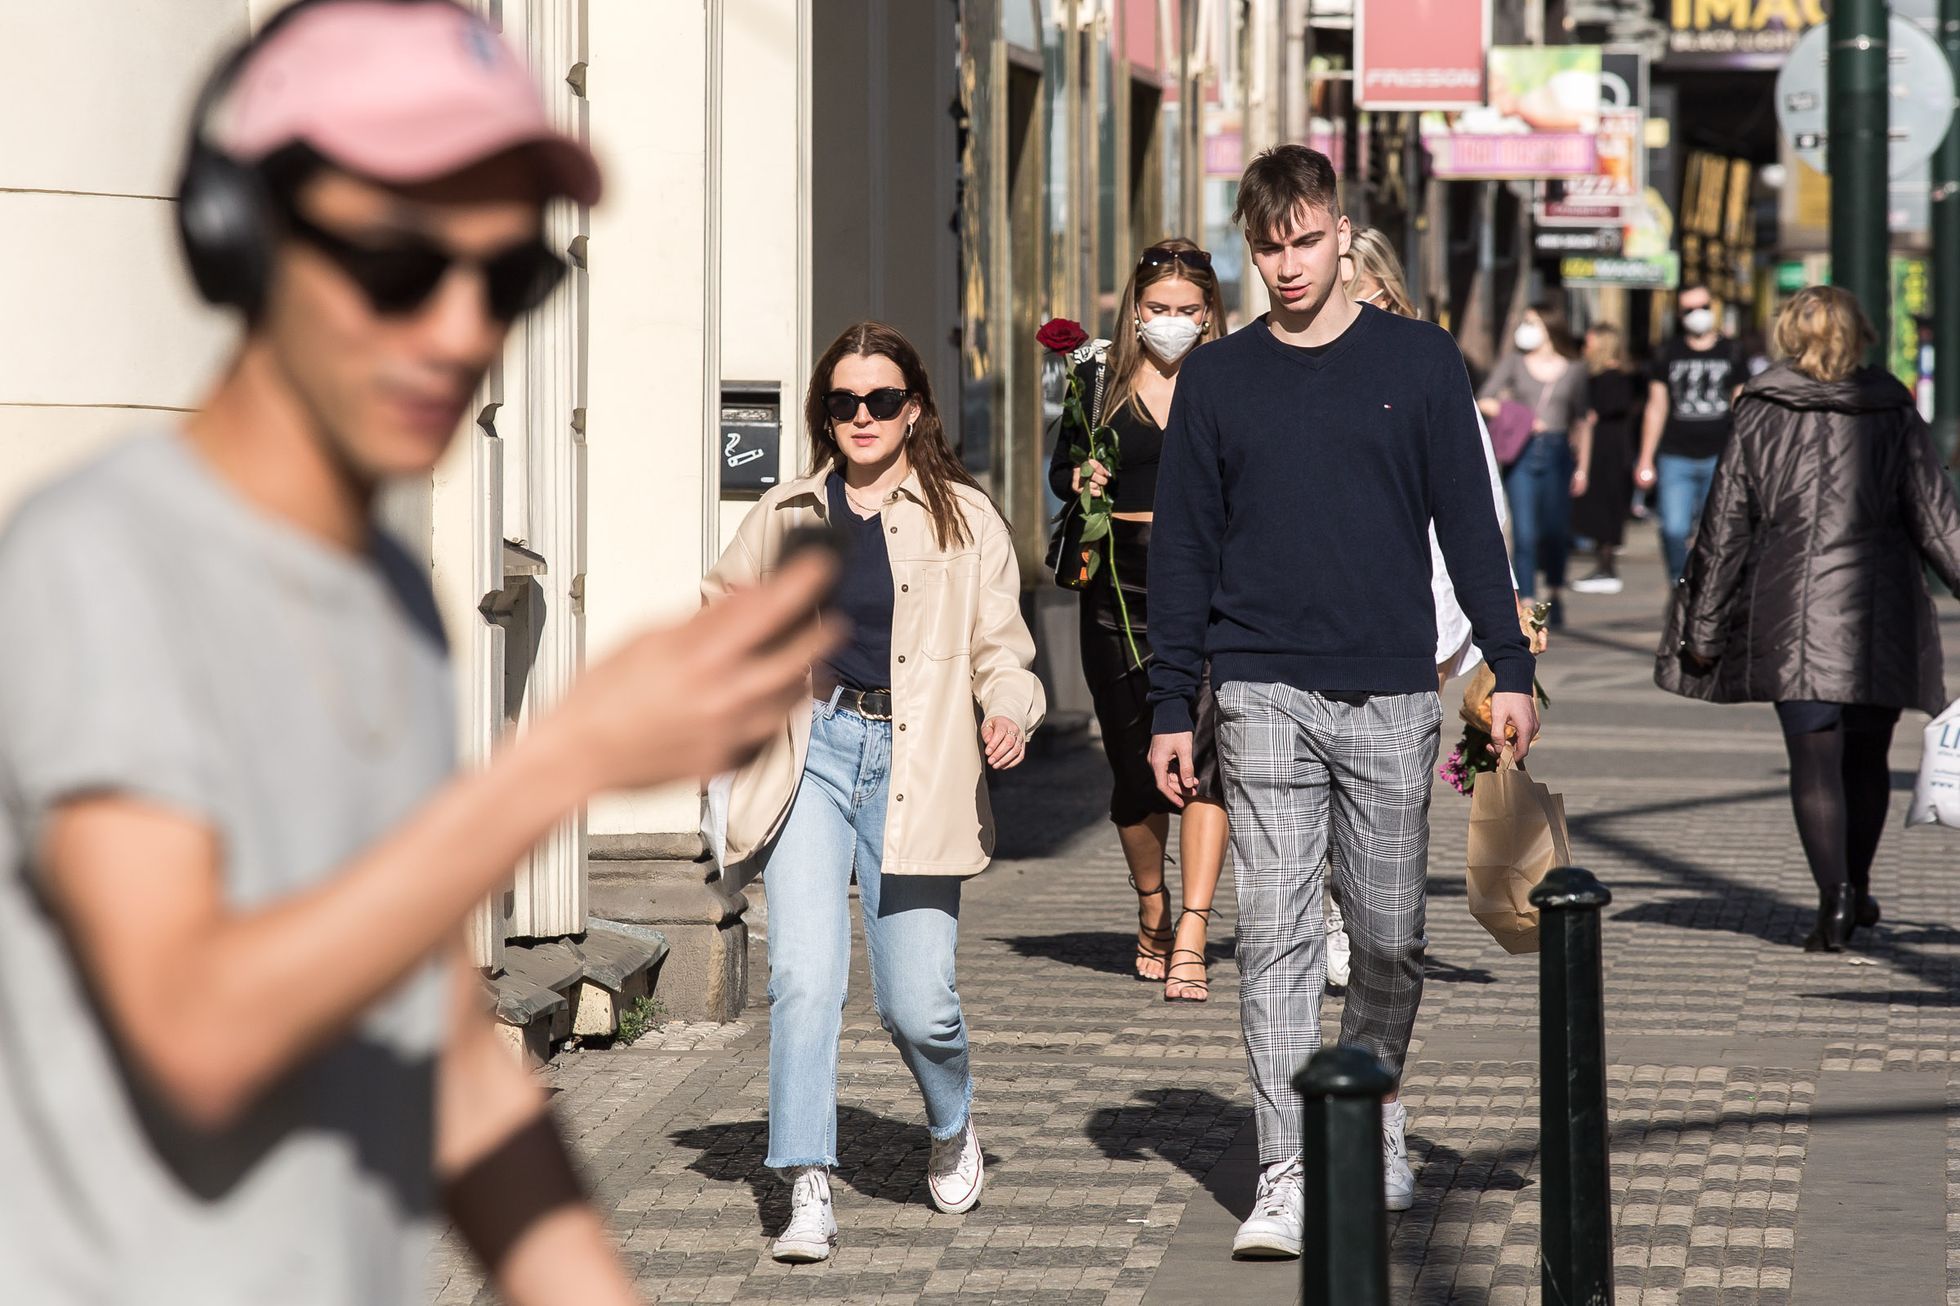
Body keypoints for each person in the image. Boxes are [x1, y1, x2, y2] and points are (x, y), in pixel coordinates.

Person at [0, 4, 838, 1302]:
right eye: (399, 266)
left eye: (505, 280)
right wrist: (562, 759)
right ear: (242, 237)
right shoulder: (99, 562)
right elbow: (194, 1028)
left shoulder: (386, 593)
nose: (459, 330)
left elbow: (445, 1053)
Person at [1146, 145, 1537, 1257]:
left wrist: (1507, 667)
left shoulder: (1417, 364)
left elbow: (1468, 523)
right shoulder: (1219, 380)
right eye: (1266, 246)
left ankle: (1363, 1108)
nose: (1285, 265)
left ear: (1339, 231)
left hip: (1389, 689)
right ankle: (1286, 1168)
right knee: (1270, 934)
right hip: (1259, 681)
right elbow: (1181, 551)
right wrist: (1173, 701)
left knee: (1392, 937)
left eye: (1304, 240)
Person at [706, 322, 1045, 1264]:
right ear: (826, 413)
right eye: (845, 402)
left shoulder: (965, 519)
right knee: (804, 975)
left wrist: (1008, 709)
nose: (862, 417)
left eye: (882, 400)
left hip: (918, 760)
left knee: (917, 1001)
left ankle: (950, 1126)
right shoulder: (783, 516)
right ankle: (806, 1181)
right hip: (811, 749)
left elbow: (1002, 649)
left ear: (915, 410)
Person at [1658, 286, 1960, 952]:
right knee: (1869, 757)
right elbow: (1938, 517)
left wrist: (1703, 630)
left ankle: (1834, 899)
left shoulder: (1760, 410)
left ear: (1789, 335)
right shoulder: (1892, 408)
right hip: (1880, 606)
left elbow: (1726, 524)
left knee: (1814, 759)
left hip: (1788, 606)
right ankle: (1858, 879)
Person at [1332, 227, 1516, 993]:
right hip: (1316, 614)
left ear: (1382, 290)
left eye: (1353, 286)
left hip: (1420, 616)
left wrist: (1491, 632)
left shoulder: (1423, 366)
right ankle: (1332, 921)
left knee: (1387, 788)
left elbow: (1480, 511)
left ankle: (1382, 912)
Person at [1047, 238, 1229, 1003]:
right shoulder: (1097, 377)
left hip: (1211, 581)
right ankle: (1152, 902)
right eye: (1159, 309)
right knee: (1133, 770)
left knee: (1208, 758)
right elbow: (1061, 467)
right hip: (1118, 582)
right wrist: (1083, 475)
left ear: (1210, 313)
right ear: (1134, 308)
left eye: (1188, 311)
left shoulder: (1230, 372)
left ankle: (1193, 925)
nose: (1173, 322)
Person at [1478, 298, 1591, 625]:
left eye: (1532, 322)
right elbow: (1485, 398)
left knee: (1555, 531)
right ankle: (1526, 600)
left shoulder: (1574, 368)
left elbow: (1582, 420)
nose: (1525, 329)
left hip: (1558, 451)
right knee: (1524, 533)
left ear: (1549, 326)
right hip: (1523, 451)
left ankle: (1555, 591)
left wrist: (1583, 465)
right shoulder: (1514, 362)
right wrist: (1521, 416)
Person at [1636, 284, 1747, 582]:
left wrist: (1744, 454)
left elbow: (1741, 405)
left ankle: (1708, 587)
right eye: (1690, 310)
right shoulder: (1668, 352)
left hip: (1720, 455)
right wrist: (1645, 458)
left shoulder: (1732, 351)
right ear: (1679, 314)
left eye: (1704, 307)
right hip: (1675, 455)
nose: (1698, 315)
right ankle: (1679, 583)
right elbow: (1656, 407)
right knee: (1673, 528)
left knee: (1718, 530)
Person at [1570, 323, 1644, 595]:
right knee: (1598, 509)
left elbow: (1606, 411)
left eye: (1589, 343)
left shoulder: (1614, 378)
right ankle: (1603, 565)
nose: (1585, 348)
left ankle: (1606, 567)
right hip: (1604, 449)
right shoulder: (1596, 376)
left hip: (1609, 451)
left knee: (1606, 509)